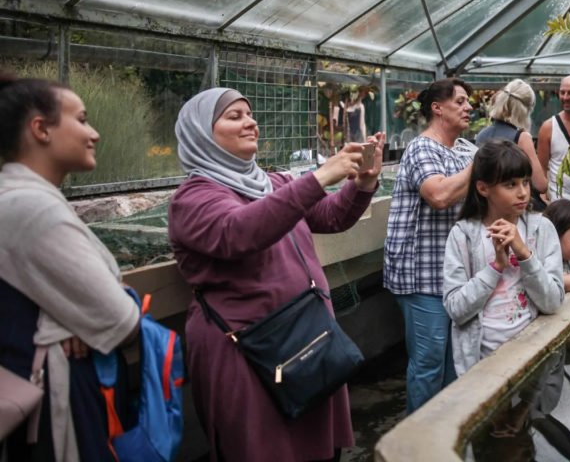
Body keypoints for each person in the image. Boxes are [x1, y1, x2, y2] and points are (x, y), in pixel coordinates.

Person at [167, 87, 383, 462]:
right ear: (201, 133)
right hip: (251, 355)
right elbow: (239, 232)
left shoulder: (272, 183)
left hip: (307, 340)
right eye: (234, 116)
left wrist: (361, 184)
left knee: (317, 446)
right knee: (266, 449)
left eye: (249, 114)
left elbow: (331, 217)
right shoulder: (193, 198)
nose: (250, 122)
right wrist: (317, 178)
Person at [0, 71, 140, 462]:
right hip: (52, 401)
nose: (93, 133)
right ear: (40, 128)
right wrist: (82, 316)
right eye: (80, 119)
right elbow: (123, 322)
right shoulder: (33, 207)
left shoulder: (16, 196)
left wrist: (70, 316)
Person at [383, 77, 475, 413]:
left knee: (456, 360)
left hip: (454, 274)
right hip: (421, 274)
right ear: (437, 108)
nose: (469, 107)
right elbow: (438, 195)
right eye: (460, 101)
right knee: (429, 361)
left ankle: (446, 431)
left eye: (468, 101)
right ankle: (416, 441)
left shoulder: (465, 149)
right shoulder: (422, 148)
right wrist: (481, 166)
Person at [442, 140, 564, 376]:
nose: (523, 193)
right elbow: (456, 309)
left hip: (533, 355)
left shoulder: (542, 229)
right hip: (480, 363)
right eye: (511, 184)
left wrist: (525, 255)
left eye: (526, 182)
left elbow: (552, 302)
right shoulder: (463, 235)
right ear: (483, 188)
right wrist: (496, 266)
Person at [474, 79, 547, 207]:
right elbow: (541, 185)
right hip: (513, 209)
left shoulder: (482, 135)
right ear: (527, 110)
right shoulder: (521, 137)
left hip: (488, 206)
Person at [537, 74, 570, 201]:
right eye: (562, 92)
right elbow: (541, 168)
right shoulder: (548, 127)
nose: (565, 97)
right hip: (559, 203)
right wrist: (542, 199)